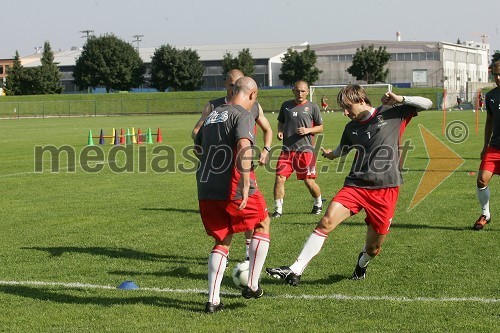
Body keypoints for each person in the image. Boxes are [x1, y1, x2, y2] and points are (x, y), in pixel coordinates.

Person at [266, 84, 432, 285]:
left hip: (386, 189)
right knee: (326, 221)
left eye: (347, 107)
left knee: (373, 249)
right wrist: (331, 154)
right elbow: (343, 149)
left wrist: (400, 98)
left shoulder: (392, 113)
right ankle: (295, 269)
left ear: (361, 101)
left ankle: (361, 265)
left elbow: (427, 103)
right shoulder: (351, 128)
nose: (344, 113)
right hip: (356, 185)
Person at [194, 77, 271, 313]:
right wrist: (246, 180)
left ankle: (213, 301)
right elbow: (244, 147)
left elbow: (197, 145)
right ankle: (252, 285)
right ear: (252, 95)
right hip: (234, 185)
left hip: (207, 187)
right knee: (262, 223)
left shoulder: (212, 116)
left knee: (222, 239)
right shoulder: (243, 114)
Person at [272, 80, 324, 218]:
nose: (300, 93)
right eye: (297, 90)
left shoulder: (313, 107)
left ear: (307, 91)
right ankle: (278, 210)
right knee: (279, 178)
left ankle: (318, 203)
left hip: (306, 151)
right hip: (287, 150)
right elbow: (281, 122)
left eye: (302, 91)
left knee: (309, 181)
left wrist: (308, 130)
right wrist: (280, 131)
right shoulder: (286, 106)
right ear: (293, 91)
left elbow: (320, 127)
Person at [473, 61, 500, 230]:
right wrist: (485, 145)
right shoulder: (491, 96)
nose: (498, 78)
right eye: (496, 74)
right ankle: (485, 214)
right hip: (495, 147)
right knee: (481, 180)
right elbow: (489, 122)